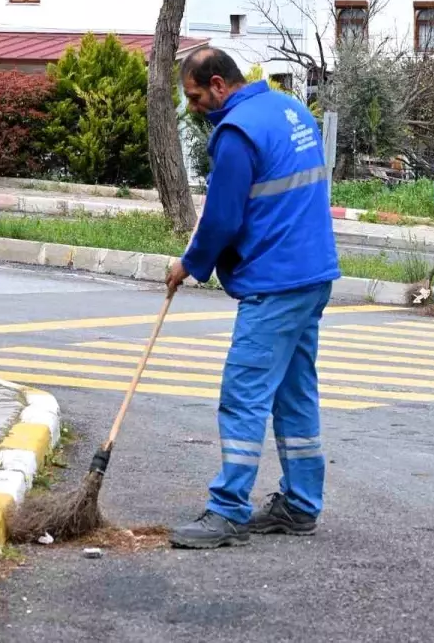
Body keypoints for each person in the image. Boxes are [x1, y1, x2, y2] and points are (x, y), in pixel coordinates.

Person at [165, 48, 340, 549]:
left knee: (244, 393)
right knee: (293, 392)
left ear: (218, 84)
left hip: (276, 280)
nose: (195, 108)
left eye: (196, 97)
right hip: (312, 274)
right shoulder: (290, 110)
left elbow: (221, 219)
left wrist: (189, 265)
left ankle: (228, 511)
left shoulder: (236, 132)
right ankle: (301, 504)